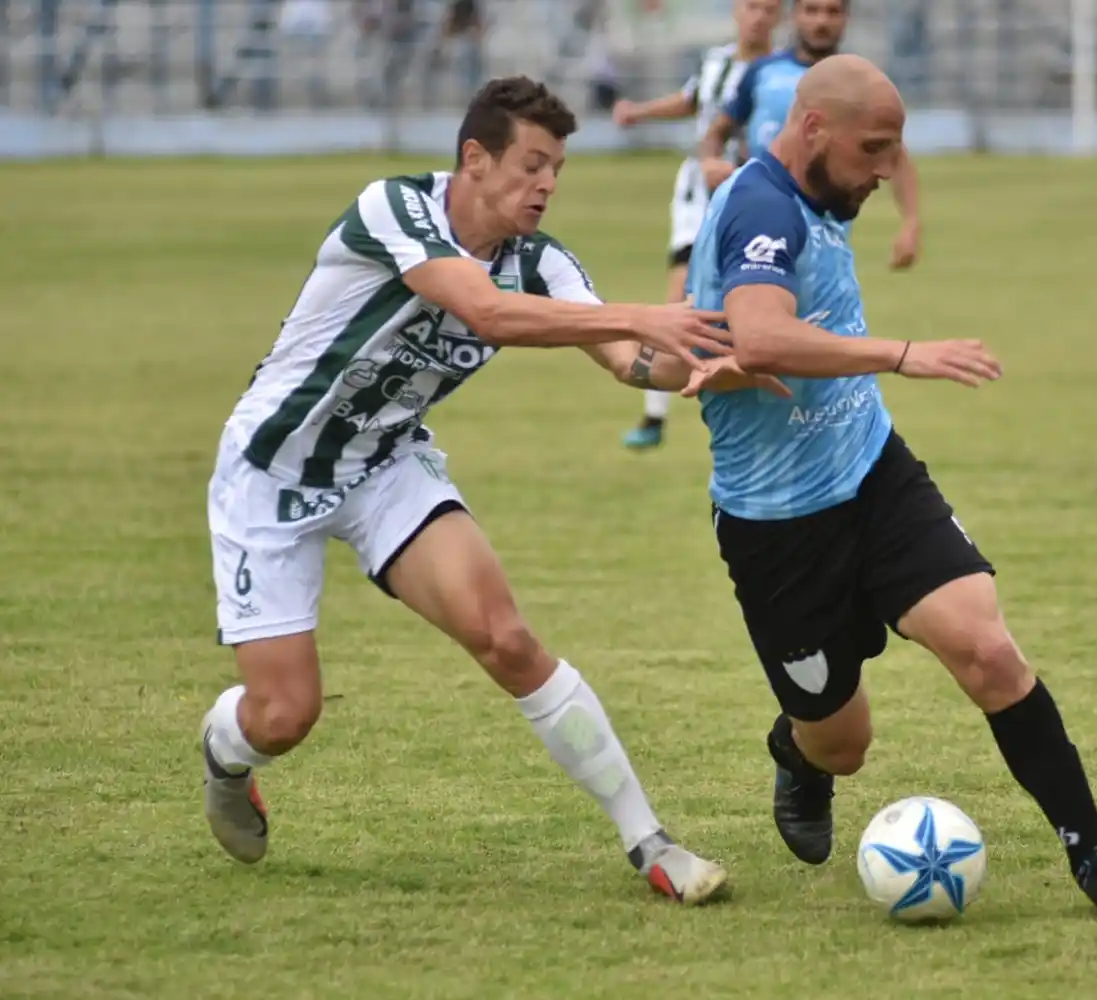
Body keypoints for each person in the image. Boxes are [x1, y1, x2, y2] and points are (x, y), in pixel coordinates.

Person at [199, 76, 786, 905]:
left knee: (507, 639)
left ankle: (649, 840)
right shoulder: (395, 210)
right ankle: (227, 750)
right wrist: (638, 315)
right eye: (532, 165)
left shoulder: (542, 263)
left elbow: (632, 362)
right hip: (271, 472)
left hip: (386, 464)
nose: (547, 185)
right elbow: (488, 314)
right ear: (475, 159)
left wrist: (720, 367)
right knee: (284, 715)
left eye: (557, 171)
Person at [685, 54, 1097, 916]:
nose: (885, 170)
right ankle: (799, 755)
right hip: (776, 527)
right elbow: (759, 338)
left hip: (873, 476)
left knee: (987, 649)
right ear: (813, 131)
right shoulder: (762, 207)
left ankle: (1095, 856)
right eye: (873, 150)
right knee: (844, 742)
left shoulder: (821, 192)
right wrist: (903, 354)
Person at [614, 0, 782, 451]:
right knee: (679, 296)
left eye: (769, 9)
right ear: (737, 11)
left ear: (779, 16)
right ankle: (653, 417)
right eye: (752, 6)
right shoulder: (715, 63)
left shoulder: (780, 75)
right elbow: (692, 101)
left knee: (753, 299)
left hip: (753, 200)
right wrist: (640, 112)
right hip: (697, 199)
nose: (759, 16)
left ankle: (763, 398)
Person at [699, 0, 923, 273]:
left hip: (827, 236)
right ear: (794, 16)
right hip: (761, 222)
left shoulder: (860, 84)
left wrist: (910, 223)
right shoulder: (762, 71)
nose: (821, 22)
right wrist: (709, 162)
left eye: (832, 12)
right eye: (812, 10)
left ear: (845, 18)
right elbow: (718, 131)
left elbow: (894, 155)